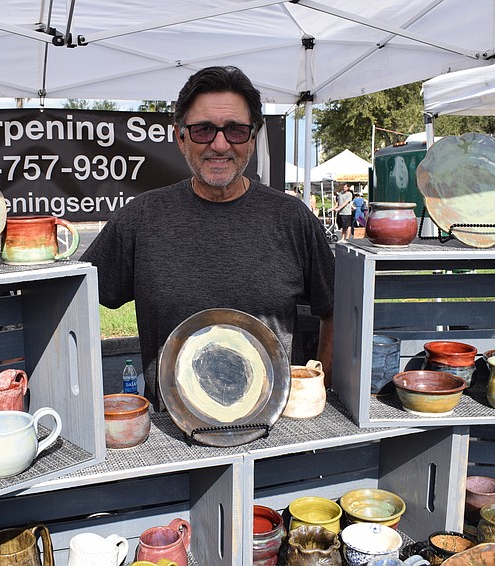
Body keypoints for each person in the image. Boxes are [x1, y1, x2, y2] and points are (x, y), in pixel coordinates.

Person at [81, 66, 336, 409]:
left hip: (276, 430)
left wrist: (322, 389)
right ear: (180, 137)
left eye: (235, 130)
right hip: (171, 432)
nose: (219, 144)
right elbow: (73, 300)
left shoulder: (292, 219)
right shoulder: (140, 218)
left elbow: (334, 310)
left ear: (253, 136)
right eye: (203, 130)